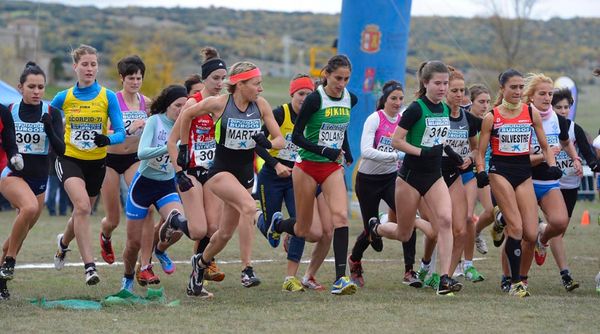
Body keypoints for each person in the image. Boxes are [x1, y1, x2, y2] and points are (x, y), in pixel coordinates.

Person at [177, 61, 284, 297]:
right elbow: (187, 115)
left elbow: (280, 140)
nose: (261, 89)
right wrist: (184, 147)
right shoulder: (219, 104)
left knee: (224, 234)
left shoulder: (261, 105)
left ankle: (200, 265)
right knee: (248, 205)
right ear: (240, 84)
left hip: (245, 174)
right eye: (256, 84)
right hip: (219, 172)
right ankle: (258, 248)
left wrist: (268, 143)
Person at [368, 60, 461, 295]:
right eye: (437, 83)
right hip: (409, 177)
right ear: (425, 83)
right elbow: (397, 140)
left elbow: (437, 138)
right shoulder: (415, 109)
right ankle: (376, 227)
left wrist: (447, 151)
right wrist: (422, 151)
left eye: (445, 84)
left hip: (434, 175)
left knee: (446, 221)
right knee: (403, 233)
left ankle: (445, 279)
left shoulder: (444, 108)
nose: (442, 88)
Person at [476, 69, 558, 297]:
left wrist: (551, 165)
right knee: (517, 228)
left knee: (531, 235)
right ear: (502, 89)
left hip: (523, 172)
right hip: (500, 172)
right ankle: (514, 283)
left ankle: (521, 277)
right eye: (513, 87)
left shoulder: (531, 112)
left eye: (521, 87)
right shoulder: (491, 116)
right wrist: (481, 171)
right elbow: (480, 152)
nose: (518, 91)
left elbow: (545, 146)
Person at [51, 44, 126, 285]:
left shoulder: (108, 97)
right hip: (70, 160)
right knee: (82, 207)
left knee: (81, 212)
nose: (90, 68)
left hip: (96, 164)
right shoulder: (63, 97)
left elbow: (121, 133)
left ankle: (63, 244)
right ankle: (90, 268)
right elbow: (49, 124)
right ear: (75, 67)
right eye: (85, 64)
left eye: (94, 64)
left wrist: (107, 139)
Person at [255, 74, 333, 291]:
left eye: (308, 94)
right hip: (272, 174)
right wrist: (276, 165)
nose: (304, 98)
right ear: (292, 94)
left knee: (301, 224)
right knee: (272, 237)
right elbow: (258, 144)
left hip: (297, 176)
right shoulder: (281, 113)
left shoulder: (312, 116)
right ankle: (258, 218)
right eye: (301, 94)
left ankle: (290, 277)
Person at [346, 80, 421, 288]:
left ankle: (409, 270)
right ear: (384, 100)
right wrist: (396, 155)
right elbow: (366, 151)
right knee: (370, 232)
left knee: (408, 220)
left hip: (391, 179)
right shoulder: (374, 119)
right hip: (367, 180)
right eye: (393, 98)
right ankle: (355, 260)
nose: (397, 103)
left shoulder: (404, 118)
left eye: (400, 98)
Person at [121, 85, 193, 293]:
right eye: (177, 105)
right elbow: (142, 152)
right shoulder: (156, 121)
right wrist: (172, 146)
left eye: (184, 106)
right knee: (133, 243)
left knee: (179, 226)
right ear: (167, 106)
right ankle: (128, 277)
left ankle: (160, 251)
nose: (181, 110)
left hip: (166, 185)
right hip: (143, 185)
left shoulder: (186, 126)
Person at [164, 47, 227, 285]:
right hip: (190, 171)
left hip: (213, 172)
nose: (220, 83)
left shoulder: (225, 104)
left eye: (223, 78)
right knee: (199, 230)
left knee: (213, 227)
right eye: (215, 79)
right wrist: (179, 172)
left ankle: (199, 272)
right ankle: (174, 221)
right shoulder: (193, 103)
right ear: (204, 80)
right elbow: (172, 141)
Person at [98, 55, 151, 265]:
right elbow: (105, 131)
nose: (135, 82)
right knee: (113, 219)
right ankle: (105, 235)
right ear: (122, 78)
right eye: (131, 78)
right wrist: (129, 128)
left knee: (146, 205)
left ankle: (146, 261)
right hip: (110, 159)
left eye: (139, 78)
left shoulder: (146, 103)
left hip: (134, 158)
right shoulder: (112, 101)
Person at [442, 67, 484, 283]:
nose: (459, 95)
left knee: (463, 223)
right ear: (445, 91)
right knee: (439, 226)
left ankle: (453, 273)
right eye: (454, 90)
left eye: (462, 90)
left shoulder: (468, 119)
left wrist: (469, 157)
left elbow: (475, 147)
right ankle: (427, 268)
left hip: (460, 174)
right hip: (436, 175)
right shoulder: (437, 113)